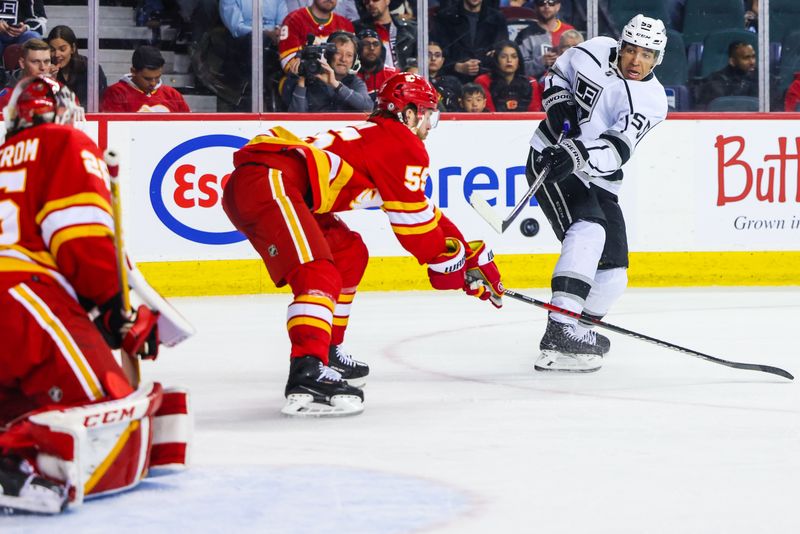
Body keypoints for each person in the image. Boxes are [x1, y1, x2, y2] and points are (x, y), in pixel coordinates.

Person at [222, 72, 504, 417]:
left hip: (269, 184)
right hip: (268, 183)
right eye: (428, 114)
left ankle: (328, 350)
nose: (430, 125)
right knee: (317, 273)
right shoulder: (403, 144)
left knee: (348, 253)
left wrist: (467, 253)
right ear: (408, 113)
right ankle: (307, 370)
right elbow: (416, 234)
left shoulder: (381, 138)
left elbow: (425, 213)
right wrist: (455, 265)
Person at [0, 76, 189, 515]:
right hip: (21, 300)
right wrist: (113, 307)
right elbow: (79, 236)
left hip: (20, 299)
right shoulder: (64, 141)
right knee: (110, 410)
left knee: (17, 408)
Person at [526, 14, 668, 372]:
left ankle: (577, 333)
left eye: (647, 54)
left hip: (597, 174)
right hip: (549, 157)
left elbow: (617, 150)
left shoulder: (651, 100)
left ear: (658, 58)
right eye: (631, 50)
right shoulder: (592, 50)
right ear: (619, 45)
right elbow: (557, 73)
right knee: (589, 229)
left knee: (615, 270)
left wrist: (577, 154)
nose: (636, 60)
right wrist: (557, 103)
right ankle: (560, 327)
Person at [282, 31, 373, 112]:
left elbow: (368, 107)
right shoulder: (310, 79)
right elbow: (296, 120)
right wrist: (301, 82)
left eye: (349, 55)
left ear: (354, 60)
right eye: (338, 53)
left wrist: (335, 84)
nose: (343, 59)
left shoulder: (355, 82)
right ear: (328, 55)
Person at [432, 0, 509, 83]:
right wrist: (456, 67)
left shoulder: (497, 18)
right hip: (452, 79)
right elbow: (437, 51)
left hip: (488, 80)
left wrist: (479, 66)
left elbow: (501, 51)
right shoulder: (445, 17)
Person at [100, 45, 191, 112]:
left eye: (157, 77)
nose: (153, 83)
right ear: (133, 71)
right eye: (147, 79)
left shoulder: (172, 94)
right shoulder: (116, 93)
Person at [279, 0, 355, 74]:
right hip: (304, 81)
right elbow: (289, 63)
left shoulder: (346, 25)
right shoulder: (293, 19)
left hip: (338, 81)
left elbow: (352, 63)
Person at [47, 25, 108, 107]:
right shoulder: (45, 70)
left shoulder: (90, 69)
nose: (57, 54)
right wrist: (50, 80)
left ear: (73, 48)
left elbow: (101, 100)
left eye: (62, 49)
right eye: (52, 50)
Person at [474, 40, 542, 111]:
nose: (509, 60)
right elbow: (489, 114)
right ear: (496, 60)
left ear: (519, 61)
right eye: (503, 57)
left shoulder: (531, 82)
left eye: (514, 56)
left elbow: (534, 113)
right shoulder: (483, 81)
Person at [516, 0, 575, 79]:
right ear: (535, 6)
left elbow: (579, 62)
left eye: (551, 2)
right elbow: (518, 68)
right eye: (541, 2)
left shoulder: (570, 31)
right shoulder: (525, 35)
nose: (547, 6)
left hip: (565, 85)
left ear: (558, 6)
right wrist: (541, 62)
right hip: (535, 88)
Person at [353, 0, 417, 71]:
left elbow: (421, 58)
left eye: (375, 0)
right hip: (374, 78)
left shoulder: (410, 29)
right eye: (366, 1)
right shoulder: (357, 30)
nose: (370, 3)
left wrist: (414, 68)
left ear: (387, 1)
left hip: (405, 78)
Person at [693, 41, 757, 109]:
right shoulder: (715, 82)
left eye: (753, 57)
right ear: (732, 61)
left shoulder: (761, 77)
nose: (752, 62)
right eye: (746, 58)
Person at [356, 27, 397, 102]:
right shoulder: (349, 75)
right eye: (366, 44)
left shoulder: (393, 76)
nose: (371, 48)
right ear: (357, 48)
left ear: (381, 49)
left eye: (376, 44)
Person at [429, 41, 462, 112]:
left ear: (442, 61)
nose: (433, 59)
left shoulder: (453, 82)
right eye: (428, 55)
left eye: (437, 55)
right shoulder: (417, 80)